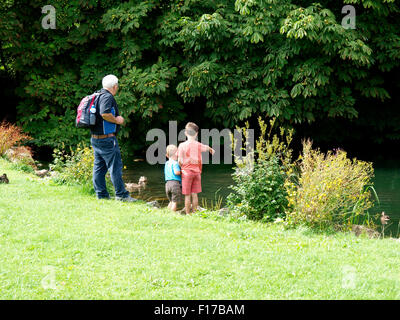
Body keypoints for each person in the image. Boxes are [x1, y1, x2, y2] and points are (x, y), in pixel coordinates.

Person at [90, 74, 136, 202]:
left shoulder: (96, 95)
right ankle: (121, 195)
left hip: (96, 138)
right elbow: (104, 113)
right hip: (107, 139)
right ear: (115, 86)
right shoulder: (107, 96)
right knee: (115, 167)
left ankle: (101, 195)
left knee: (99, 167)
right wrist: (117, 120)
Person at [177, 122, 215, 214]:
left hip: (186, 173)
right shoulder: (198, 145)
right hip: (197, 173)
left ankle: (188, 214)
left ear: (186, 133)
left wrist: (181, 168)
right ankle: (194, 212)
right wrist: (211, 149)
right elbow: (207, 148)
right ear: (197, 133)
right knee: (195, 194)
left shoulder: (182, 145)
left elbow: (179, 160)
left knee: (187, 195)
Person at [164, 145, 182, 211]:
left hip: (167, 184)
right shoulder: (175, 163)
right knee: (175, 202)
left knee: (171, 201)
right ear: (176, 154)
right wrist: (182, 171)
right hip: (175, 184)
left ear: (167, 155)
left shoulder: (166, 163)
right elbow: (176, 172)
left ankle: (167, 212)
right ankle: (172, 215)